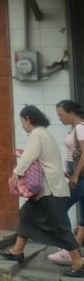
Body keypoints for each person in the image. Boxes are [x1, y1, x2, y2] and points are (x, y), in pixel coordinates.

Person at [0, 105, 84, 277]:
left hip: (50, 190)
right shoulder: (44, 133)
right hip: (48, 189)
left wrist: (16, 172)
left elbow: (29, 156)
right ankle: (17, 251)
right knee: (26, 214)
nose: (22, 125)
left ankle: (79, 263)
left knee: (59, 228)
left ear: (28, 118)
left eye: (22, 121)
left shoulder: (37, 133)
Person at [48, 100, 84, 264]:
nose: (60, 118)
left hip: (80, 176)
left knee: (60, 208)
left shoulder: (80, 128)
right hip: (77, 174)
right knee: (83, 212)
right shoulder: (77, 128)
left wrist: (75, 175)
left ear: (71, 113)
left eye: (61, 115)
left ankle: (69, 250)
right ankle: (75, 247)